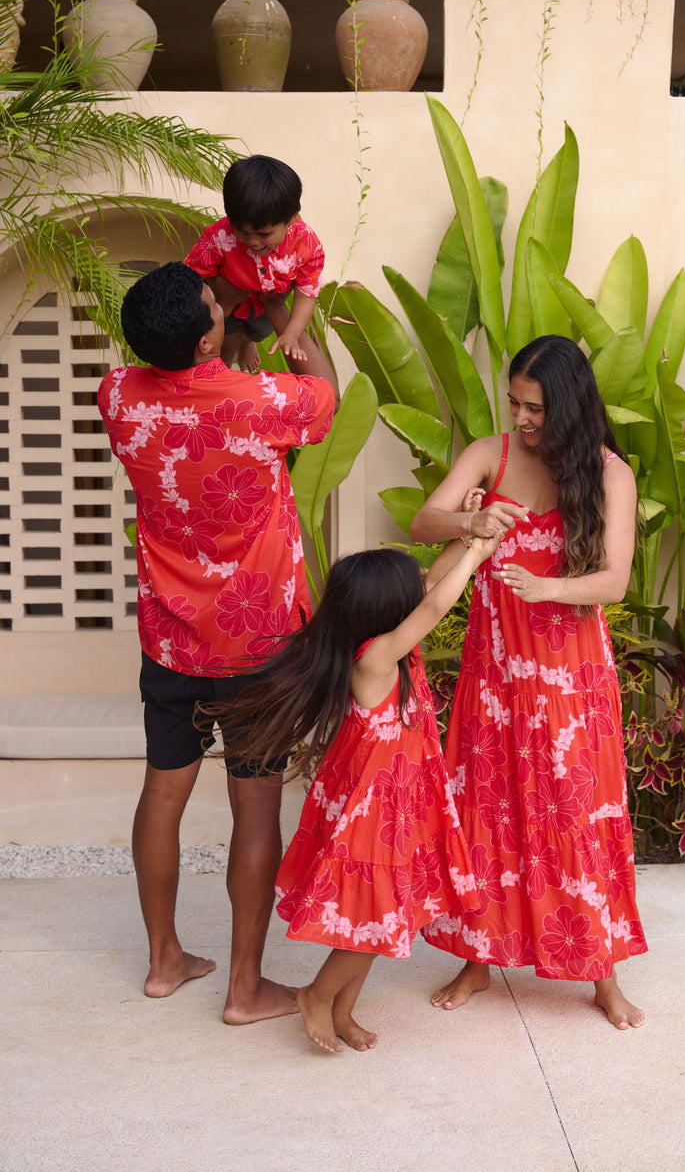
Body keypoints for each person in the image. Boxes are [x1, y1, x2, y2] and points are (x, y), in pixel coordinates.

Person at [96, 261, 338, 1023]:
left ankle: (164, 961)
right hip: (258, 640)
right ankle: (245, 985)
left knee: (163, 791)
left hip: (170, 639)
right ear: (209, 333)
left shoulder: (117, 396)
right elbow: (324, 398)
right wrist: (298, 336)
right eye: (214, 305)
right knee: (255, 806)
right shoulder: (260, 402)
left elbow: (164, 377)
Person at [409, 335, 647, 1030]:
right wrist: (472, 519)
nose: (521, 416)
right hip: (497, 671)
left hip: (572, 674)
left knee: (578, 813)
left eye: (535, 405)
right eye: (514, 401)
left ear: (568, 405)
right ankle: (477, 960)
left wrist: (544, 587)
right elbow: (426, 521)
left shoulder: (609, 474)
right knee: (488, 807)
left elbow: (615, 578)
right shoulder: (492, 455)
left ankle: (600, 972)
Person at [202, 542, 498, 1053]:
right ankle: (317, 996)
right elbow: (432, 604)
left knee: (377, 916)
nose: (422, 587)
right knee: (379, 921)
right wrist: (479, 551)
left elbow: (428, 589)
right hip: (373, 813)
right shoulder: (376, 659)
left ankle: (342, 1010)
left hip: (395, 810)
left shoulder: (392, 650)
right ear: (390, 610)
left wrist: (469, 532)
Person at [185, 154, 328, 374]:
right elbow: (190, 276)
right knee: (225, 351)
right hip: (228, 306)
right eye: (241, 231)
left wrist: (291, 333)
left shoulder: (307, 245)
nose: (252, 241)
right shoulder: (218, 236)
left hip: (266, 306)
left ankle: (249, 342)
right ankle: (238, 350)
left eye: (264, 234)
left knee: (257, 332)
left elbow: (306, 294)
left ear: (291, 218)